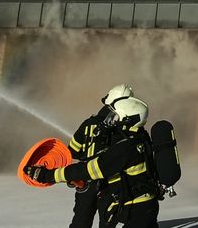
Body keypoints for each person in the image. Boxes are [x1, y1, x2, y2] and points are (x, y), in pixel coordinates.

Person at [27, 96, 161, 228]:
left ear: (126, 119)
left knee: (82, 221)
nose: (110, 120)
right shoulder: (141, 138)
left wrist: (48, 175)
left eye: (115, 117)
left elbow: (89, 169)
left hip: (132, 209)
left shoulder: (124, 148)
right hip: (148, 206)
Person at [66, 85, 134, 228]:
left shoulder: (88, 123)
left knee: (80, 220)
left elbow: (73, 150)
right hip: (111, 183)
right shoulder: (123, 128)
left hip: (85, 181)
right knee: (108, 221)